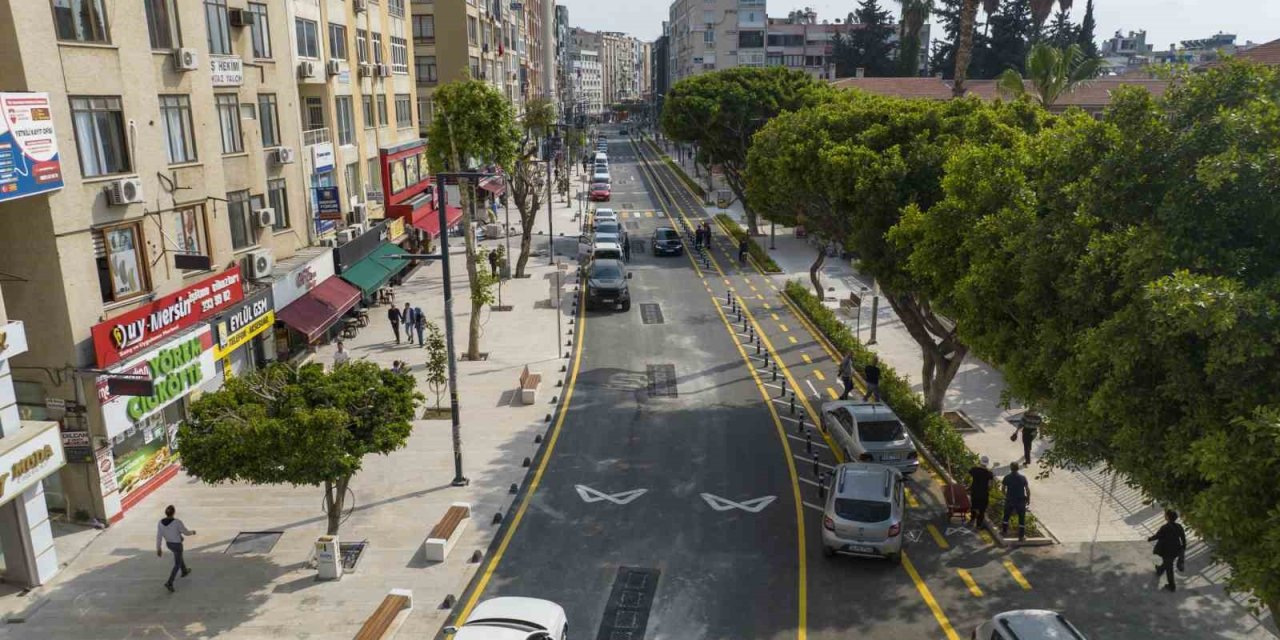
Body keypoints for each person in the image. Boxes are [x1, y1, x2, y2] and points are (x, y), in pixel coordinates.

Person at [156, 505, 195, 592]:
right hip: (177, 545)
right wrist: (192, 532)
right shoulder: (177, 522)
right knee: (177, 563)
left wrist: (158, 548)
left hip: (169, 544)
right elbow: (186, 532)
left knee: (178, 556)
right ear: (174, 512)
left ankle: (184, 570)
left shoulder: (160, 523)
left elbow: (159, 536)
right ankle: (169, 582)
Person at [1149, 510, 1187, 592]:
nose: (1164, 516)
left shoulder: (1165, 527)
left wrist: (1150, 539)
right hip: (1175, 550)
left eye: (1165, 515)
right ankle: (1159, 571)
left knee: (1169, 567)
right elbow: (1183, 539)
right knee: (1167, 563)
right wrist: (1183, 548)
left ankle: (1171, 586)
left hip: (1166, 550)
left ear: (1168, 517)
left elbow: (1157, 536)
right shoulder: (1179, 526)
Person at [1000, 462, 1031, 540]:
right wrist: (1028, 498)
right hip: (1020, 500)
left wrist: (1005, 496)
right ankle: (1021, 536)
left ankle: (1004, 532)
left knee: (1006, 516)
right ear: (1018, 468)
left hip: (1010, 500)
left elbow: (1003, 489)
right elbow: (1027, 489)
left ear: (1010, 468)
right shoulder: (1023, 478)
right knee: (1021, 518)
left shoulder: (1007, 477)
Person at [968, 456, 995, 529]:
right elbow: (990, 486)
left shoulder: (974, 469)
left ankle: (972, 520)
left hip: (975, 492)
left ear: (980, 462)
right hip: (984, 494)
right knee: (982, 510)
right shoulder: (989, 473)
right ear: (987, 464)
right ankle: (978, 525)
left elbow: (969, 475)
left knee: (974, 506)